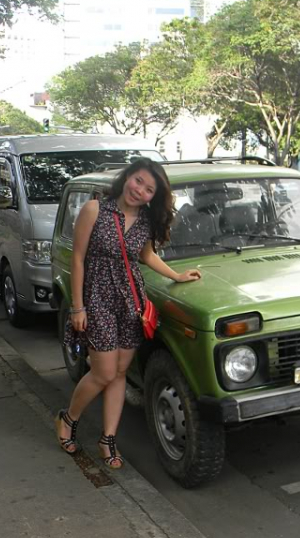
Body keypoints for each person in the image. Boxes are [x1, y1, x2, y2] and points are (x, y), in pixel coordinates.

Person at [55, 159, 201, 468]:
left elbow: (146, 255)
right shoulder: (95, 209)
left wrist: (175, 276)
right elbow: (78, 259)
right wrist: (78, 307)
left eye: (149, 189)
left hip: (131, 301)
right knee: (103, 373)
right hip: (98, 299)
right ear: (127, 178)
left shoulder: (147, 220)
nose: (140, 191)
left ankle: (108, 439)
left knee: (120, 373)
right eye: (138, 181)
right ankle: (68, 418)